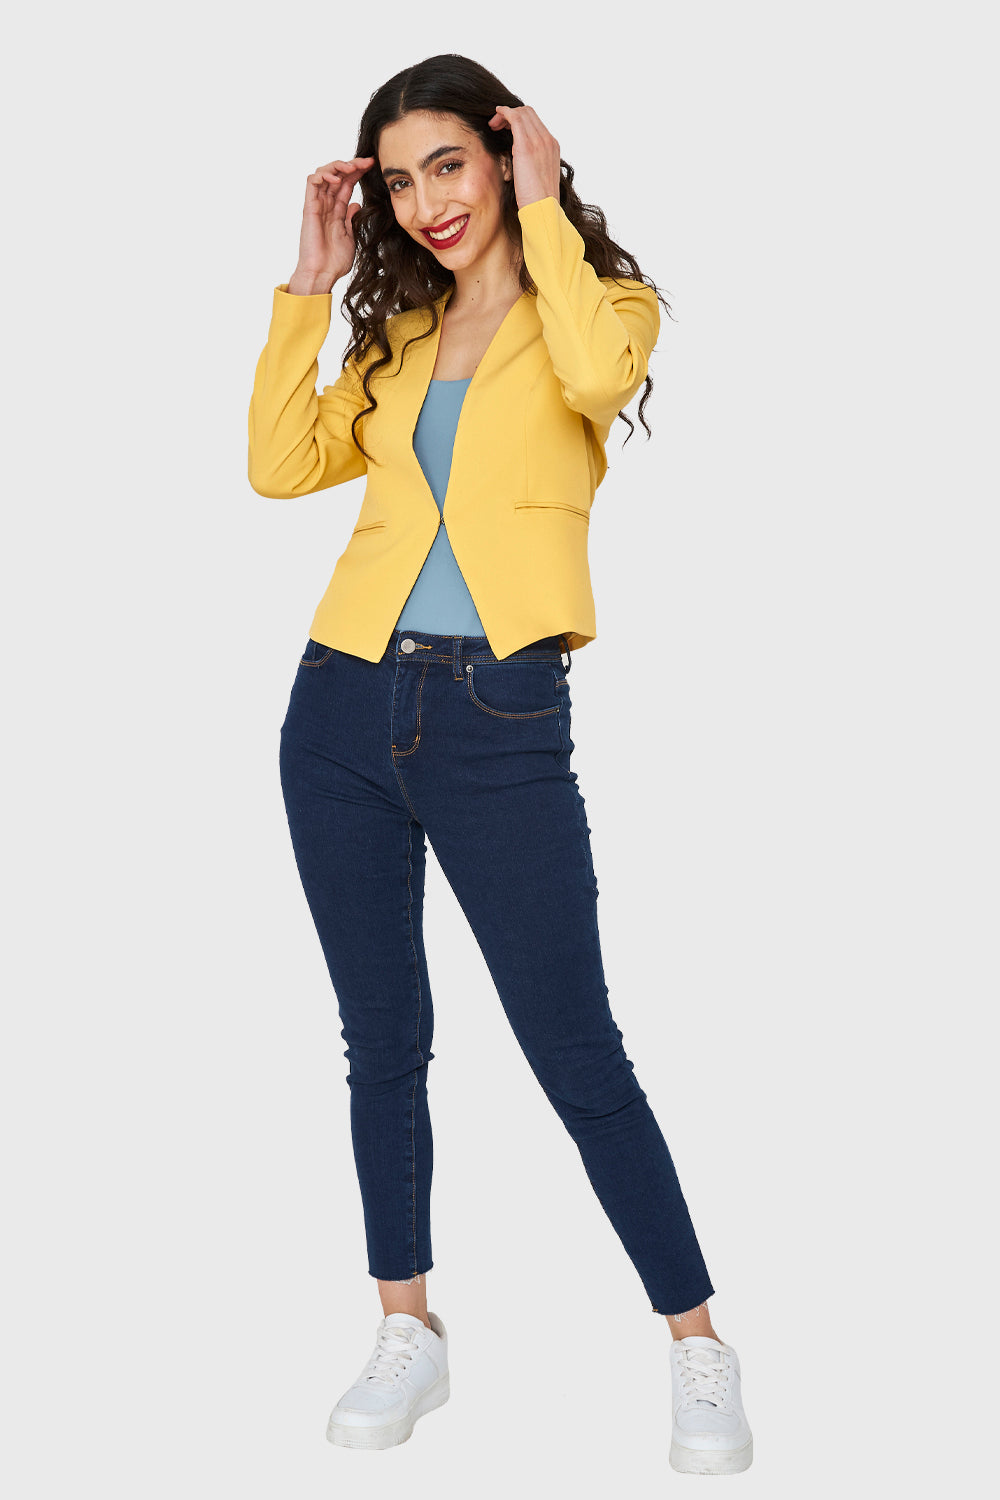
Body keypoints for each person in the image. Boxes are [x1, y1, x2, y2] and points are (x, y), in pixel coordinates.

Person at [247, 53, 752, 1474]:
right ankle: (407, 1325)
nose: (427, 202)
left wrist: (541, 211)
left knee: (576, 1048)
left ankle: (697, 1340)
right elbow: (280, 465)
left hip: (500, 717)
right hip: (339, 708)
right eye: (402, 181)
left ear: (507, 152)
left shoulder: (606, 307)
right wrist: (309, 284)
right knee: (381, 1042)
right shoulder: (398, 336)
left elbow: (595, 375)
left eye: (449, 164)